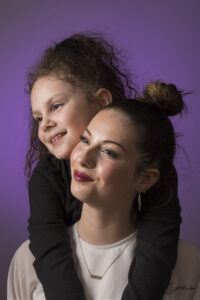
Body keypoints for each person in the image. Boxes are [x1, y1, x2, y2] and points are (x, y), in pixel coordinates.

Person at [7, 82, 200, 300]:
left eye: (108, 151)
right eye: (85, 139)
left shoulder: (187, 263)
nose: (82, 158)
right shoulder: (27, 260)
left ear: (145, 179)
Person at [24, 33, 181, 299]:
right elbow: (49, 253)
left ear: (100, 102)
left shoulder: (150, 168)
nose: (45, 123)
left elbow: (157, 251)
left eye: (56, 106)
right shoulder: (46, 177)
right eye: (38, 117)